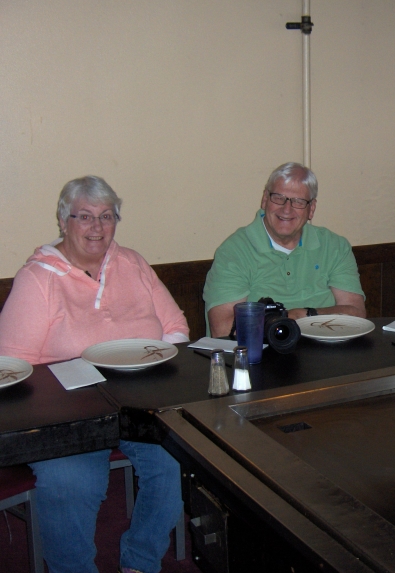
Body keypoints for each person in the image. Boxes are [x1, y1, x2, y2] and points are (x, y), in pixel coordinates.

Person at [0, 176, 189, 573]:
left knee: (177, 461)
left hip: (139, 402)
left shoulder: (132, 263)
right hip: (65, 411)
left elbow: (175, 328)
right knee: (72, 484)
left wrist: (156, 369)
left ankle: (140, 560)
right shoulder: (38, 278)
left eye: (106, 216)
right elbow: (11, 363)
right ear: (63, 220)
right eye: (84, 216)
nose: (97, 227)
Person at [204, 162, 366, 338]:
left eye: (298, 201)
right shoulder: (234, 252)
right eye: (278, 198)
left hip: (325, 349)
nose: (287, 209)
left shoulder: (334, 246)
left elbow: (357, 315)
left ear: (311, 209)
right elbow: (223, 329)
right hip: (260, 351)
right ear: (265, 199)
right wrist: (290, 320)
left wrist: (302, 315)